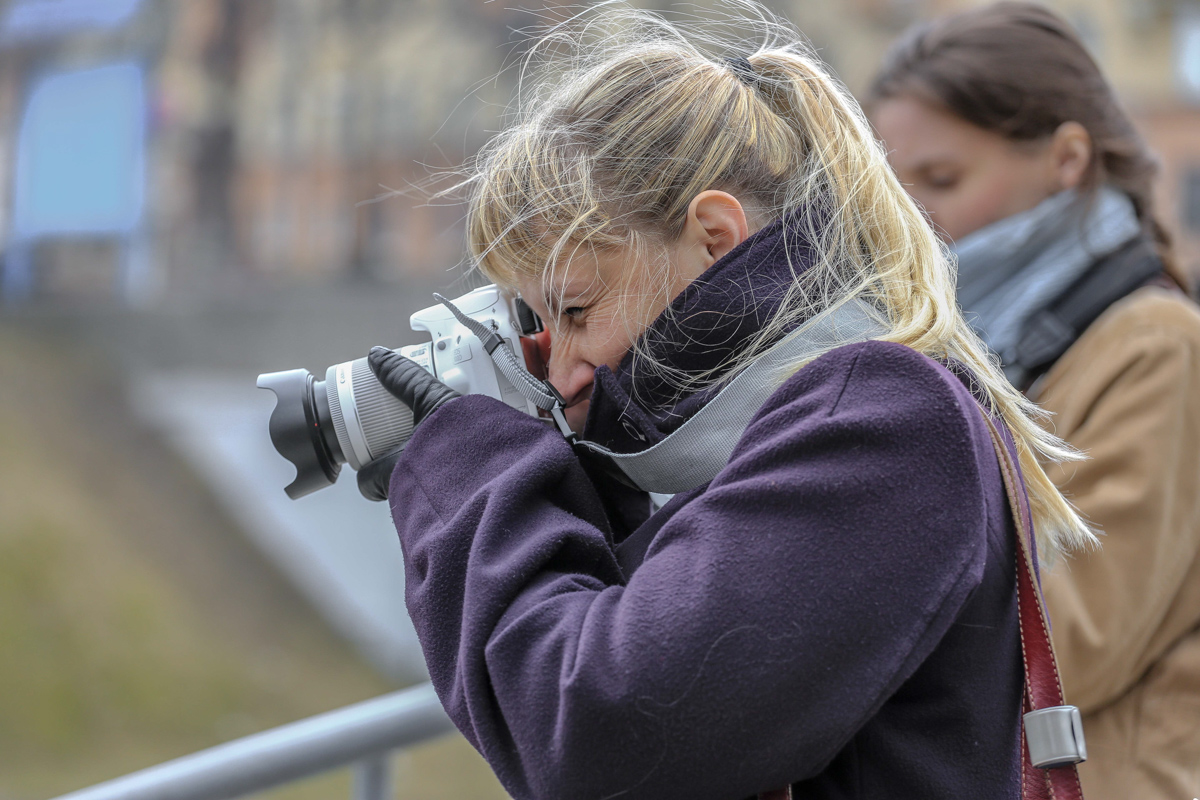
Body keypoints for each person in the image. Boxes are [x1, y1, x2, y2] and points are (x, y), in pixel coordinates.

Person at [358, 4, 1093, 798]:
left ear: (715, 236)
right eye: (537, 325)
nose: (562, 375)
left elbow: (602, 734)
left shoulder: (882, 422)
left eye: (575, 310)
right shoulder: (818, 415)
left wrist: (471, 473)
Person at [868, 5, 1200, 799]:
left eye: (941, 180)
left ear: (1067, 158)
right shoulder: (953, 345)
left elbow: (1071, 637)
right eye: (890, 188)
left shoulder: (1156, 346)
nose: (908, 218)